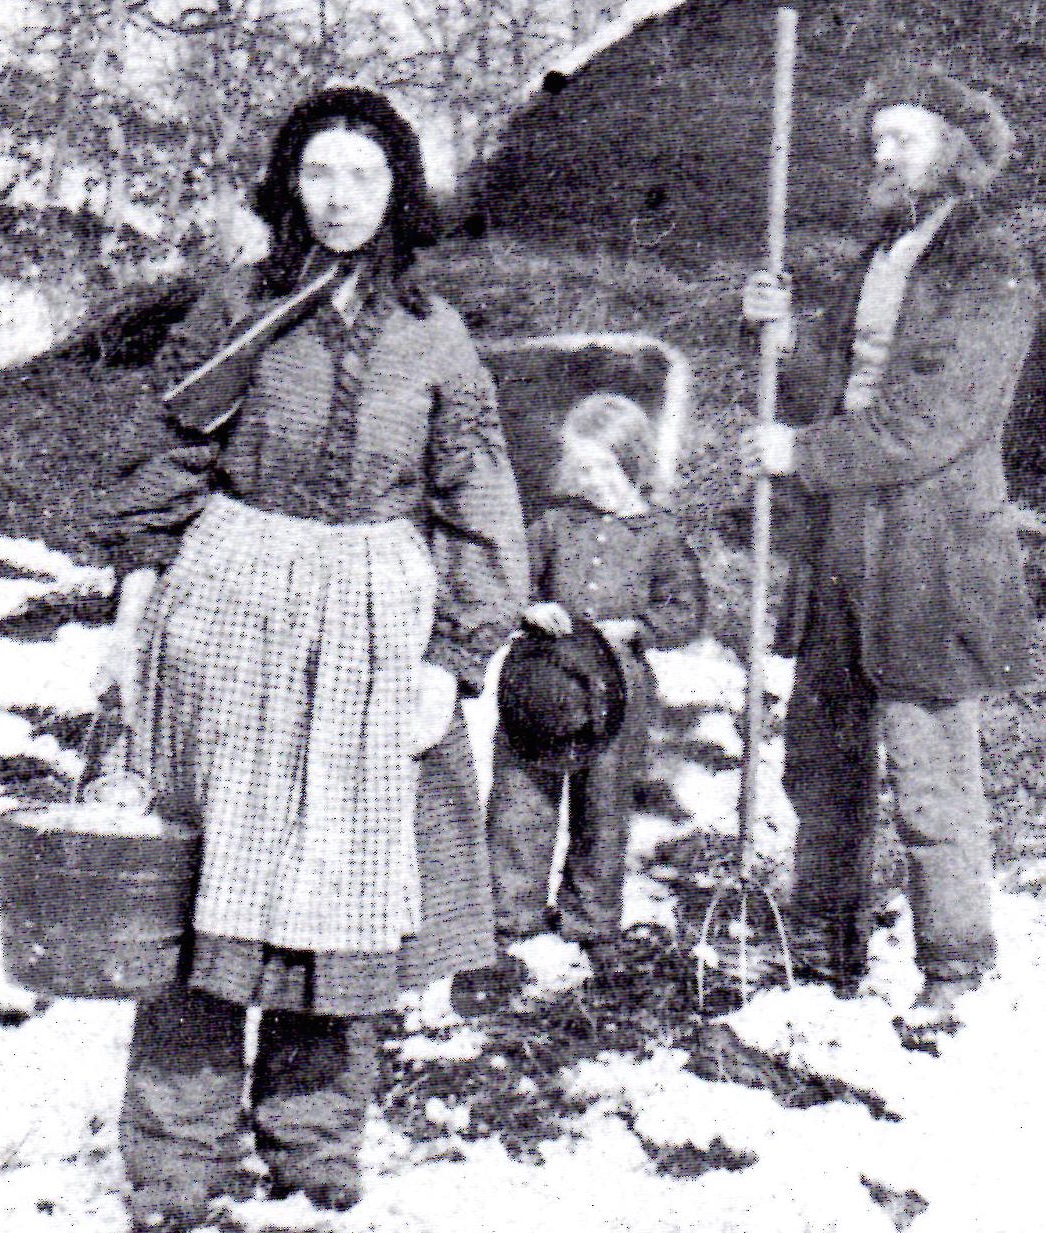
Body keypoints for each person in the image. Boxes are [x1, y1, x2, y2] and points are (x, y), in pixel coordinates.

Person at [96, 86, 529, 1231]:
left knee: (340, 887)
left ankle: (313, 1147)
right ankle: (174, 1163)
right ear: (290, 183)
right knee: (205, 893)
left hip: (371, 626)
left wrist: (460, 649)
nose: (339, 199)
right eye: (319, 174)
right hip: (233, 605)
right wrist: (136, 595)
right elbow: (174, 453)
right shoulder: (236, 309)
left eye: (363, 177)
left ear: (399, 193)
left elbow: (477, 493)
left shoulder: (436, 336)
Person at [740, 66, 1038, 1008]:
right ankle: (824, 952)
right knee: (821, 760)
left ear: (953, 150)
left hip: (932, 553)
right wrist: (781, 342)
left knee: (927, 769)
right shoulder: (881, 254)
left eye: (902, 137)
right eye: (878, 139)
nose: (883, 153)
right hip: (843, 542)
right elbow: (837, 387)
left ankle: (953, 969)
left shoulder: (989, 268)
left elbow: (932, 420)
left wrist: (802, 451)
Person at [469, 392, 704, 997]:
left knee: (602, 807)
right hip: (541, 688)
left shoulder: (659, 535)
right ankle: (508, 914)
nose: (590, 480)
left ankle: (589, 919)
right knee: (522, 796)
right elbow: (510, 577)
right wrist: (531, 607)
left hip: (616, 697)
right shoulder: (553, 524)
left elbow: (686, 608)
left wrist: (642, 629)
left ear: (633, 463)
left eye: (602, 468)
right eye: (581, 469)